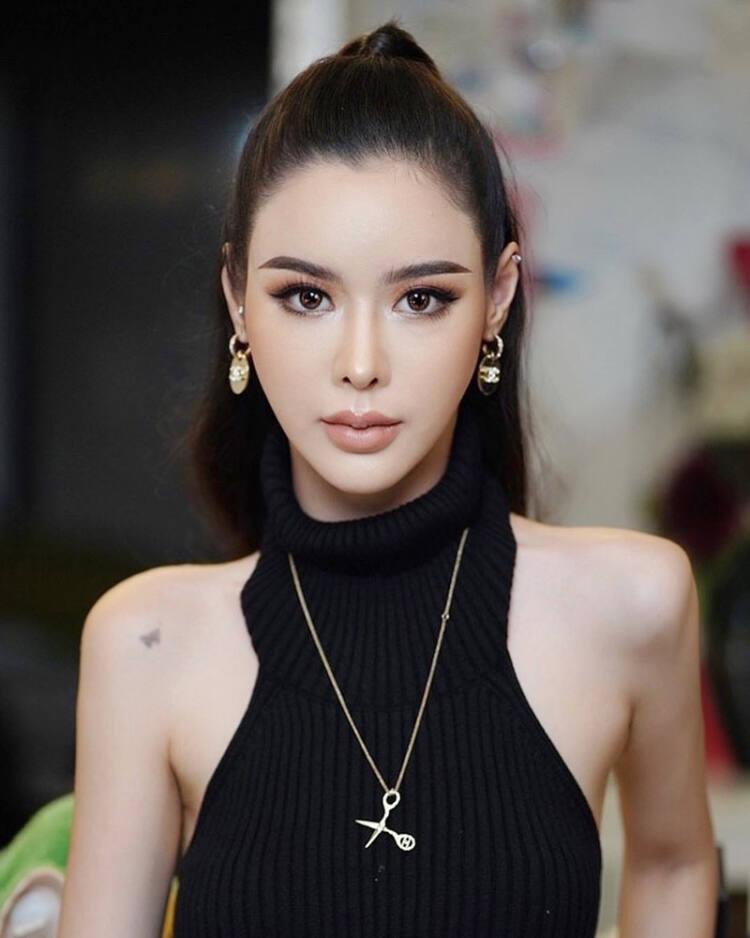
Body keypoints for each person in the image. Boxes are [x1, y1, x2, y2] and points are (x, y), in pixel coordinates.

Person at [58, 18, 719, 938]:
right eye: (306, 296)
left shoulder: (632, 603)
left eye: (421, 298)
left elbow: (676, 862)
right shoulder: (146, 642)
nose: (361, 364)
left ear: (496, 299)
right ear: (238, 299)